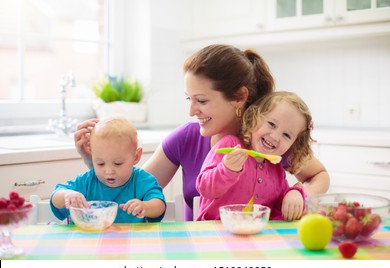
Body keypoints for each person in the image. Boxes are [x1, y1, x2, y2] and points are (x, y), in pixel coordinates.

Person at [74, 44, 330, 221]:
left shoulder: (269, 140)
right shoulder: (187, 137)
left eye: (202, 101)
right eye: (189, 99)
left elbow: (318, 175)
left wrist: (299, 193)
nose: (192, 111)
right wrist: (93, 158)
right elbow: (129, 187)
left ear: (239, 97)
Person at [196, 91, 313, 221]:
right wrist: (226, 169)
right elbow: (204, 188)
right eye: (271, 124)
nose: (274, 137)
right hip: (214, 234)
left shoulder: (277, 172)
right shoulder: (230, 145)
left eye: (286, 135)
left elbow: (279, 212)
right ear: (255, 117)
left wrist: (294, 194)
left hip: (254, 237)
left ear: (293, 145)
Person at [51, 117, 166, 223]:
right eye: (100, 163)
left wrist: (146, 206)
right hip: (90, 241)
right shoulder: (88, 181)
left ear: (135, 157)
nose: (109, 171)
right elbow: (55, 197)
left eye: (118, 163)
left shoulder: (142, 180)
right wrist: (67, 195)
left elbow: (159, 204)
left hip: (130, 241)